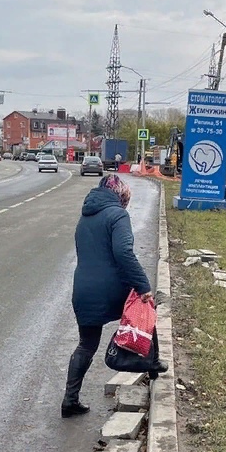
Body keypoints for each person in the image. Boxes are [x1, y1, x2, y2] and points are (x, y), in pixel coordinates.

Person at [63, 174, 165, 418]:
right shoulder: (118, 215)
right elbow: (123, 252)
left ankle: (70, 400)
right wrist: (142, 286)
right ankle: (153, 365)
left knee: (86, 345)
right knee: (146, 312)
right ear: (121, 196)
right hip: (111, 288)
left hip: (83, 289)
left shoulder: (85, 217)